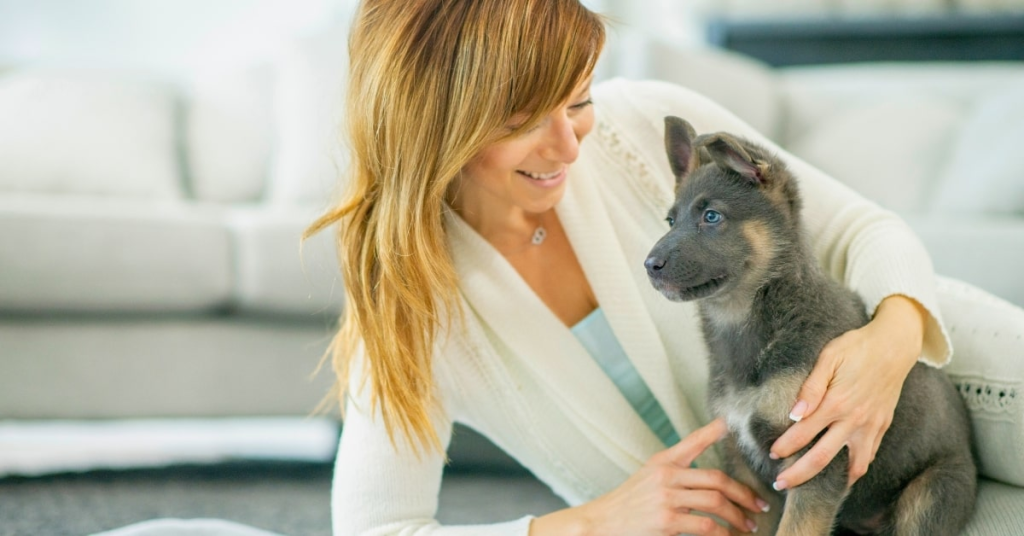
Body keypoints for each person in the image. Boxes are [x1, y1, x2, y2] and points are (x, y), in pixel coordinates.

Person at [306, 1, 1023, 535]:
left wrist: (889, 345)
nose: (567, 145)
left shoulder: (644, 125)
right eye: (523, 120)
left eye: (578, 100)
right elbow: (377, 529)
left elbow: (863, 229)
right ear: (431, 126)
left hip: (931, 363)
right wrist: (591, 523)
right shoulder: (409, 306)